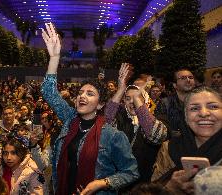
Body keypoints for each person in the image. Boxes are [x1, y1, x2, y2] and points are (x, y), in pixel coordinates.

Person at [41, 23, 139, 195]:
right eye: (80, 93)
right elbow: (49, 92)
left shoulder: (112, 135)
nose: (82, 96)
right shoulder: (70, 120)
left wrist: (102, 183)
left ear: (100, 104)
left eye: (90, 93)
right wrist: (55, 57)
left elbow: (131, 172)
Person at [105, 64, 168, 185]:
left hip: (145, 184)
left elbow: (154, 135)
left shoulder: (159, 118)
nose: (132, 101)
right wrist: (121, 89)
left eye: (137, 98)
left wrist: (137, 99)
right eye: (128, 98)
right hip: (120, 182)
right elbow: (106, 121)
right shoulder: (120, 118)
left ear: (145, 100)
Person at [151, 86, 222, 194]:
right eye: (194, 108)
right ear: (185, 117)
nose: (203, 113)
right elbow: (151, 188)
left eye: (213, 106)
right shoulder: (169, 148)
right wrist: (169, 189)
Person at [155, 69, 195, 135]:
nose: (188, 80)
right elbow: (161, 131)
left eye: (191, 77)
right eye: (183, 78)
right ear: (175, 85)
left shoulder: (201, 102)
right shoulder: (165, 103)